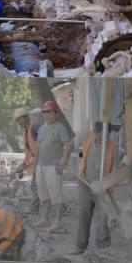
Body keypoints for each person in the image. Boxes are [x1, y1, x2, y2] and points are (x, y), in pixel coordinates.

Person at [70, 122, 115, 254]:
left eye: (106, 134)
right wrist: (68, 161)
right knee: (84, 213)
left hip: (103, 188)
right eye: (100, 134)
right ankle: (80, 246)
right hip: (85, 183)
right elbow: (77, 152)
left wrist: (103, 184)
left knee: (104, 217)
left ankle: (103, 248)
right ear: (95, 132)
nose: (103, 137)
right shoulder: (87, 140)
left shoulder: (113, 147)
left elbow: (117, 172)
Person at [35, 100, 73, 231]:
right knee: (43, 194)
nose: (47, 115)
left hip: (54, 166)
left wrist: (64, 160)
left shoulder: (60, 127)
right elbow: (38, 147)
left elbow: (67, 144)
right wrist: (35, 166)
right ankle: (45, 218)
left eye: (49, 112)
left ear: (55, 113)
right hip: (41, 165)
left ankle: (57, 221)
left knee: (56, 194)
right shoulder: (41, 129)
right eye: (45, 112)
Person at [14, 107, 40, 213]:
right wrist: (22, 166)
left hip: (41, 161)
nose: (18, 122)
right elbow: (29, 153)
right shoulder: (27, 131)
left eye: (20, 119)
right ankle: (62, 208)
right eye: (17, 120)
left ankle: (35, 208)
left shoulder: (35, 128)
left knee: (35, 186)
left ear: (26, 117)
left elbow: (43, 144)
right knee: (42, 187)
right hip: (35, 163)